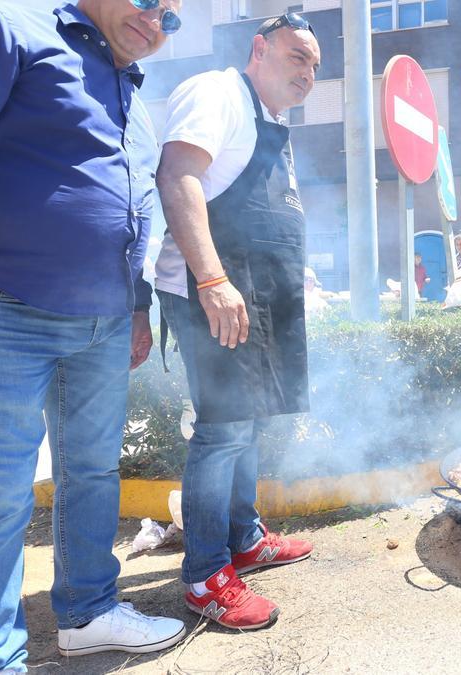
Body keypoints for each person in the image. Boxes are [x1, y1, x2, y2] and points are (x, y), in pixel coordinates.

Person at [0, 0, 188, 670]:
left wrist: (137, 307)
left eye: (172, 18)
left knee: (92, 473)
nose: (157, 20)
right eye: (150, 1)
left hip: (101, 323)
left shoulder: (131, 89)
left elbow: (133, 209)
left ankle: (89, 612)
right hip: (5, 308)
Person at [154, 13, 320, 630]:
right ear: (259, 49)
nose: (307, 73)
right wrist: (213, 281)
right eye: (297, 57)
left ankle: (245, 540)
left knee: (248, 425)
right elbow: (179, 177)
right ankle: (204, 576)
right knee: (222, 430)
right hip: (213, 291)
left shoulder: (274, 121)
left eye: (314, 66)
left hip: (258, 293)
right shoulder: (217, 92)